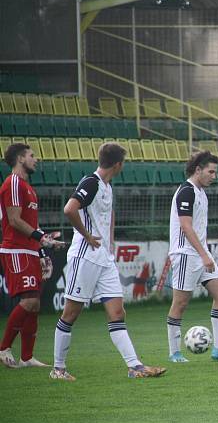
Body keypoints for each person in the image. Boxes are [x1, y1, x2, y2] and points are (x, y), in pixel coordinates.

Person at [50, 143, 166, 380]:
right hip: (85, 256)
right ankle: (58, 369)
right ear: (118, 164)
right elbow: (69, 209)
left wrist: (109, 243)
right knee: (71, 313)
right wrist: (86, 235)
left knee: (117, 312)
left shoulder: (106, 186)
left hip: (104, 259)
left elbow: (106, 216)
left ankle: (135, 367)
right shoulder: (90, 182)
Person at [166, 151, 218, 362]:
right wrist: (204, 254)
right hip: (185, 255)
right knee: (180, 303)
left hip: (201, 254)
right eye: (211, 171)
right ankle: (174, 352)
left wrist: (204, 254)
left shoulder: (201, 193)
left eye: (215, 172)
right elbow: (185, 226)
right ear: (198, 170)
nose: (214, 176)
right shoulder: (186, 192)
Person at [0, 143, 64, 368]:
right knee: (28, 301)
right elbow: (15, 220)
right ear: (19, 158)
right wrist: (41, 238)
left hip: (29, 250)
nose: (36, 159)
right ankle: (3, 347)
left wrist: (43, 246)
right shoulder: (14, 183)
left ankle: (27, 357)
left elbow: (31, 225)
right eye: (31, 155)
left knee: (35, 304)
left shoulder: (28, 187)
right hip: (15, 250)